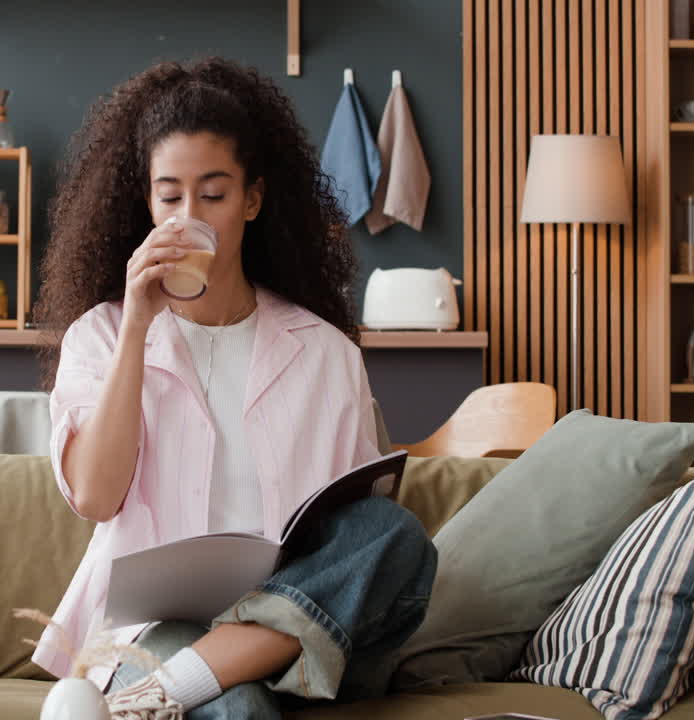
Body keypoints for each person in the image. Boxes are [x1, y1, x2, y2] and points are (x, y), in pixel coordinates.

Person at [30, 57, 437, 720]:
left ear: (252, 199)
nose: (189, 216)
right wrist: (137, 324)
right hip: (157, 627)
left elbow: (352, 527)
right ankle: (178, 683)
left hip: (300, 633)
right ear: (148, 203)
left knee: (394, 532)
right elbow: (97, 497)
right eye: (170, 196)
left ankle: (173, 689)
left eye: (213, 195)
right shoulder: (100, 336)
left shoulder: (325, 352)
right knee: (241, 709)